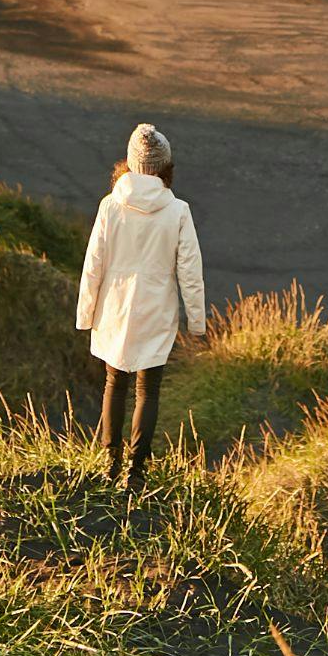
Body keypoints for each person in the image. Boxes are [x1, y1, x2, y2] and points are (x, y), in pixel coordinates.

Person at [76, 123, 206, 490]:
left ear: (130, 165)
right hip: (156, 309)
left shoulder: (111, 205)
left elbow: (93, 263)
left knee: (114, 382)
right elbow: (190, 272)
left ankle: (109, 463)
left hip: (114, 308)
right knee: (148, 389)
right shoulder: (178, 210)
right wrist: (196, 322)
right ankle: (136, 471)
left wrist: (86, 313)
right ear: (166, 167)